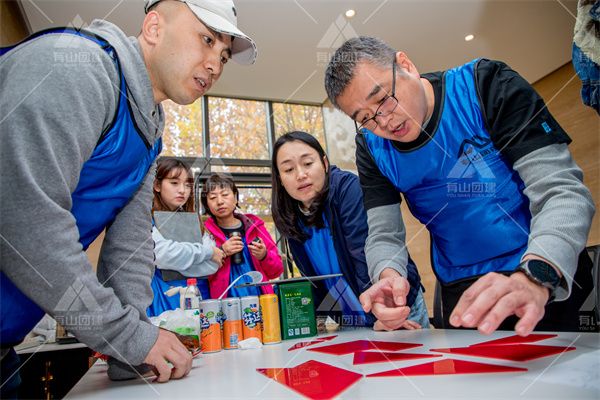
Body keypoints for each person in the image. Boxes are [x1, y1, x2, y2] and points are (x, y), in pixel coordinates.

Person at [0, 0, 256, 392]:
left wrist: (132, 349)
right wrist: (127, 336)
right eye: (206, 40)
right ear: (153, 27)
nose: (215, 65)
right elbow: (24, 224)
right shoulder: (77, 68)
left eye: (223, 55)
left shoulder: (149, 133)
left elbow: (131, 248)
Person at [324, 36, 595, 336]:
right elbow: (384, 234)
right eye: (367, 118)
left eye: (384, 98)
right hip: (461, 290)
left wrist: (536, 276)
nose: (385, 121)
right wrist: (388, 276)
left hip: (541, 273)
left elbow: (562, 191)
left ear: (405, 65)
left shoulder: (485, 85)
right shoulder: (372, 147)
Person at [271, 131, 429, 330]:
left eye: (308, 163)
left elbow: (362, 256)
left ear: (325, 163)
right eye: (288, 169)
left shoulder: (347, 189)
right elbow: (314, 276)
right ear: (280, 178)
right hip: (349, 317)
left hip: (390, 306)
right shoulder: (289, 215)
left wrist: (378, 316)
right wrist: (319, 316)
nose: (301, 175)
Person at [147, 158, 225, 317]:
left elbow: (212, 266)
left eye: (188, 185)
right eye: (174, 183)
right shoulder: (147, 219)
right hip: (164, 298)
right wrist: (208, 252)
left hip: (199, 296)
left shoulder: (195, 220)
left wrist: (178, 261)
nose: (182, 190)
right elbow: (162, 255)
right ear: (157, 185)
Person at [200, 173, 283, 298]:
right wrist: (222, 252)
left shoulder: (255, 227)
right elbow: (200, 275)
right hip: (224, 306)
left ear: (235, 198)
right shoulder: (204, 232)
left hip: (261, 301)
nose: (220, 201)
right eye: (212, 198)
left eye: (225, 195)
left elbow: (276, 271)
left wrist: (264, 256)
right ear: (206, 204)